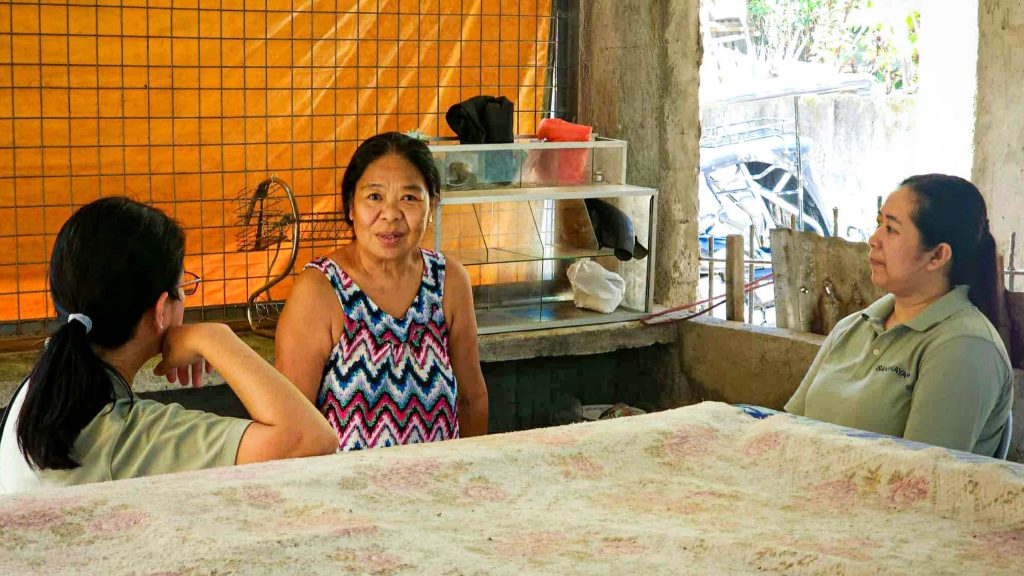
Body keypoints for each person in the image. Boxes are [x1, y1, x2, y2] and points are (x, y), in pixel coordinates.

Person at [0, 197, 337, 494]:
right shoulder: (126, 435)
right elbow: (310, 438)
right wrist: (213, 338)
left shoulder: (40, 388)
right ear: (162, 311)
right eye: (183, 285)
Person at [275, 132, 489, 450]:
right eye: (374, 197)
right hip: (345, 492)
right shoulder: (319, 290)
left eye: (409, 198)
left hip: (439, 485)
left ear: (432, 207)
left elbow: (472, 399)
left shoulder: (448, 281)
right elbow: (291, 425)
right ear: (350, 207)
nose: (390, 214)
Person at [785, 174, 1013, 456]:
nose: (873, 239)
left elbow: (918, 480)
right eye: (879, 223)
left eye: (891, 229)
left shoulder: (965, 347)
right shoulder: (855, 326)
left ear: (937, 256)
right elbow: (789, 428)